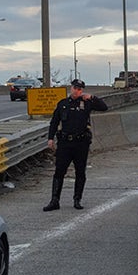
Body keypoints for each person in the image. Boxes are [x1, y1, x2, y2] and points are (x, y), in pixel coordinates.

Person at [43, 79, 108, 211]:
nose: (77, 91)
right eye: (75, 88)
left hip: (81, 143)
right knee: (59, 171)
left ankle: (77, 199)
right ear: (71, 88)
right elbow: (54, 122)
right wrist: (50, 138)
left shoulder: (86, 103)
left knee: (80, 172)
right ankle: (55, 200)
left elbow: (104, 107)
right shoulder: (63, 104)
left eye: (80, 89)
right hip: (65, 143)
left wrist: (93, 97)